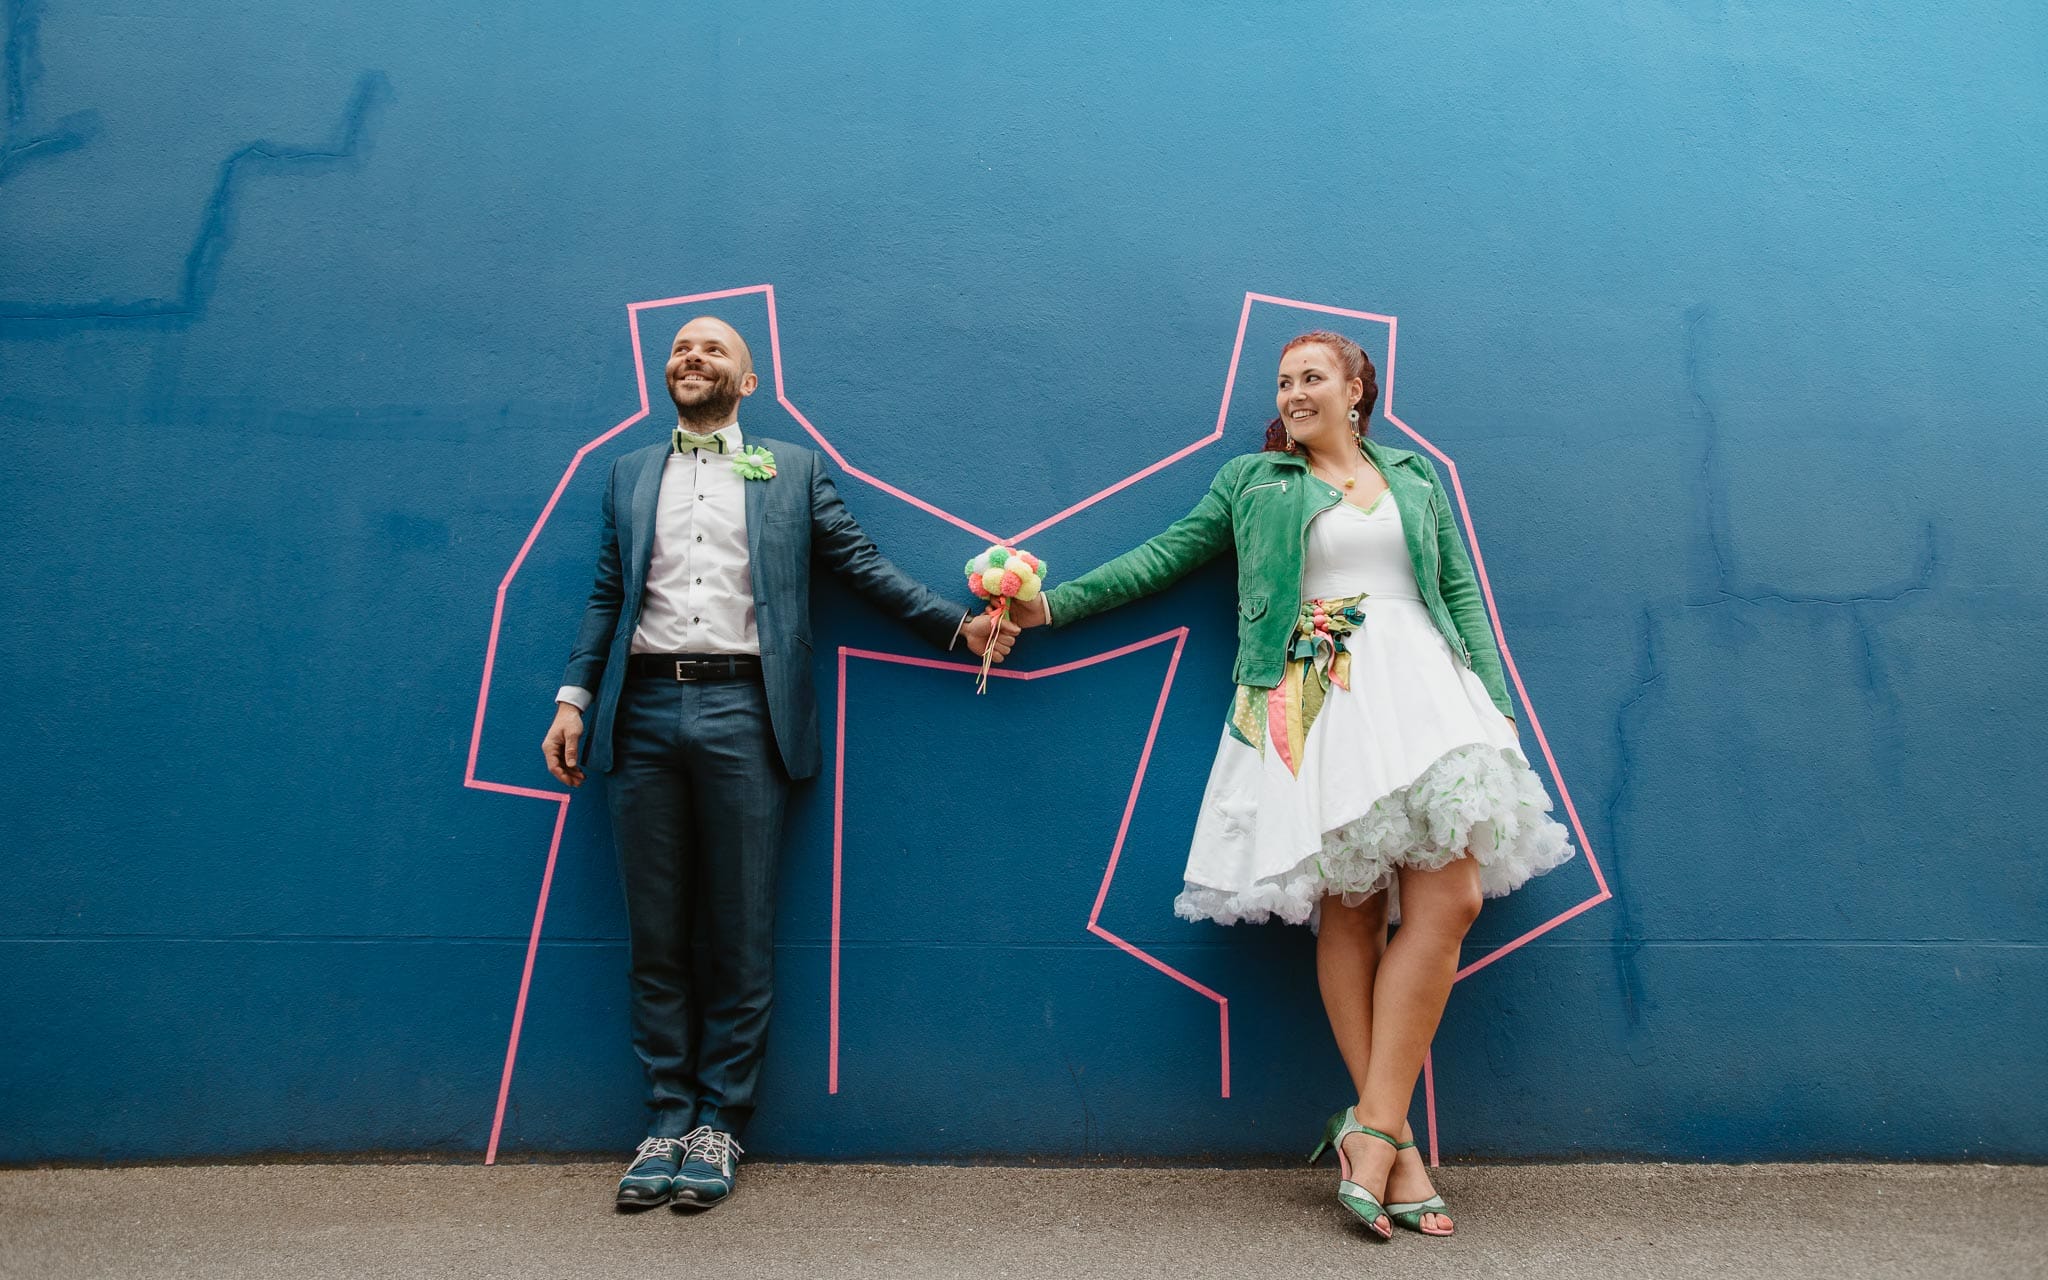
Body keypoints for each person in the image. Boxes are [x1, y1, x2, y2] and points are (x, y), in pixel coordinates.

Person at [1012, 330, 1572, 1240]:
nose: (1293, 390)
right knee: (1350, 909)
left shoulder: (1417, 477)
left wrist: (1497, 710)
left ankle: (1372, 1129)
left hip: (1430, 694)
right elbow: (1162, 557)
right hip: (1320, 692)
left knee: (1452, 898)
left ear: (1358, 390)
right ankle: (1394, 1148)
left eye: (1313, 376)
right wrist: (1051, 605)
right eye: (1283, 380)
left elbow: (1460, 593)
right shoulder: (1253, 482)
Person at [541, 315, 1017, 1212]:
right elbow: (608, 591)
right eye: (681, 348)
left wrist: (958, 627)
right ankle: (666, 1117)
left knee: (739, 926)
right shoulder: (628, 473)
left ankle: (721, 1119)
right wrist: (573, 698)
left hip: (744, 712)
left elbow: (861, 565)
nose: (692, 357)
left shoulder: (790, 469)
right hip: (636, 710)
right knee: (654, 930)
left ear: (747, 382)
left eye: (713, 348)